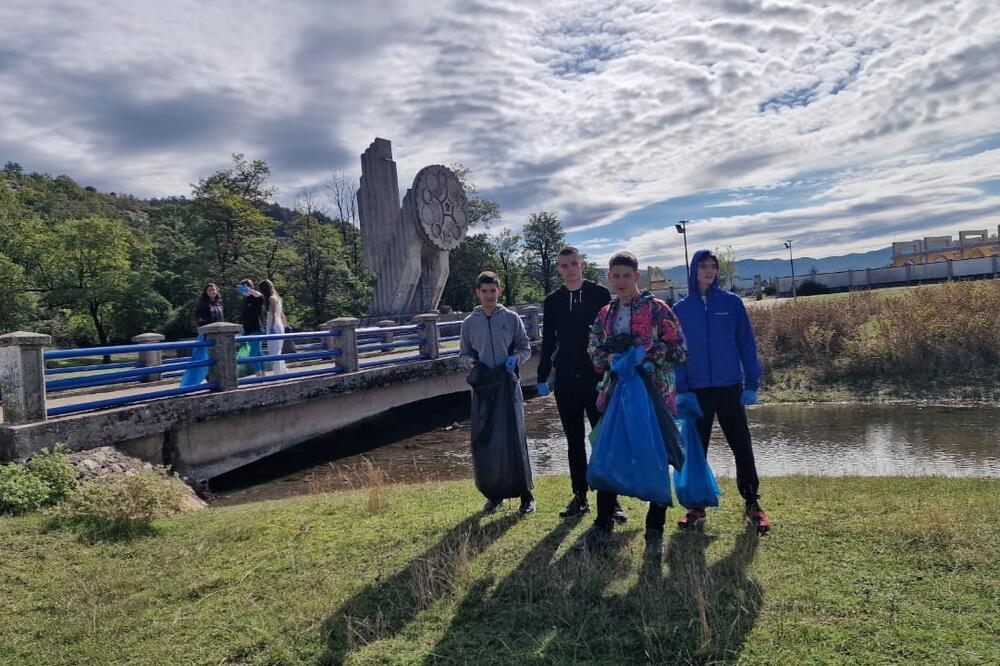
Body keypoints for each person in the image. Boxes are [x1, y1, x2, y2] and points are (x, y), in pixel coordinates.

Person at [576, 252, 687, 557]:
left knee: (656, 457)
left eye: (627, 276)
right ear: (609, 278)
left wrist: (646, 352)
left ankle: (655, 530)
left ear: (637, 277)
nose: (621, 282)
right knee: (608, 453)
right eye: (616, 276)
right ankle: (602, 524)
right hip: (615, 395)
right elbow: (593, 348)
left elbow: (679, 350)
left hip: (654, 396)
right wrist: (608, 358)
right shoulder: (605, 314)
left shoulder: (657, 309)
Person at [673, 249, 770, 534]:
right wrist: (681, 390)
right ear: (693, 270)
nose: (708, 271)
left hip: (729, 387)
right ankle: (696, 507)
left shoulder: (731, 303)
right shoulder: (680, 309)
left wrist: (751, 383)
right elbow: (677, 354)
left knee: (742, 445)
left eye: (712, 266)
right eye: (703, 266)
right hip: (696, 390)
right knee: (695, 451)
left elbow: (746, 344)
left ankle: (752, 503)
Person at [537, 246, 626, 521]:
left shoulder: (599, 294)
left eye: (574, 263)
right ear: (559, 269)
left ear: (582, 265)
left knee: (602, 440)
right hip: (566, 379)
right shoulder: (552, 301)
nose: (570, 269)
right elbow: (550, 341)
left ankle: (612, 501)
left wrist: (616, 368)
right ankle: (580, 495)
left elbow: (611, 333)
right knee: (574, 441)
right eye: (564, 265)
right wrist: (542, 376)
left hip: (596, 377)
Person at [458, 271, 535, 515]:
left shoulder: (511, 319)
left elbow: (526, 347)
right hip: (483, 387)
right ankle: (494, 494)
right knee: (486, 440)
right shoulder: (469, 323)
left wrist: (516, 359)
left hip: (507, 383)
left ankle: (526, 495)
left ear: (499, 291)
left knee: (514, 437)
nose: (489, 295)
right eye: (484, 291)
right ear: (477, 292)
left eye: (493, 290)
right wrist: (470, 363)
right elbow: (463, 354)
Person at [180, 283, 223, 387]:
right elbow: (200, 321)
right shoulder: (202, 305)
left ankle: (213, 380)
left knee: (215, 359)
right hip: (206, 336)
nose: (212, 292)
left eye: (213, 290)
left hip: (218, 336)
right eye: (209, 290)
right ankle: (190, 384)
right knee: (201, 359)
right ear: (206, 292)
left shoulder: (218, 304)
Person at [236, 279, 266, 377]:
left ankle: (259, 377)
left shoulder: (256, 298)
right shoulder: (246, 300)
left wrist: (250, 290)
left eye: (243, 288)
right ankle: (263, 376)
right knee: (258, 353)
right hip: (248, 330)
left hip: (256, 329)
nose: (242, 292)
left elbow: (260, 296)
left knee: (253, 354)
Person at [258, 279, 288, 375]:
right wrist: (285, 325)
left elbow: (274, 314)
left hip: (273, 324)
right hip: (279, 325)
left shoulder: (271, 298)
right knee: (278, 349)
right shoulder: (277, 298)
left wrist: (271, 328)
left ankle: (278, 372)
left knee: (274, 350)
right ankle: (282, 371)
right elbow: (281, 314)